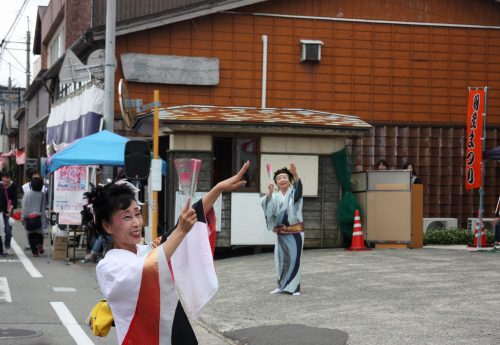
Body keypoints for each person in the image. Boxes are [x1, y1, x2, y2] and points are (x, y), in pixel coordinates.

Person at [83, 161, 249, 344]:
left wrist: (217, 189)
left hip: (175, 329)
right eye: (126, 217)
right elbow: (146, 268)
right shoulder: (108, 266)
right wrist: (180, 232)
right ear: (107, 226)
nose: (136, 222)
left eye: (137, 213)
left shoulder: (145, 251)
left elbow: (176, 230)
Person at [261, 163, 304, 296]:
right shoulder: (275, 196)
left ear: (289, 180)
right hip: (281, 234)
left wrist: (295, 174)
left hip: (294, 232)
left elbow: (298, 193)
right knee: (280, 260)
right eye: (279, 178)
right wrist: (269, 193)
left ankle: (294, 288)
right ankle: (282, 286)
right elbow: (268, 208)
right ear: (276, 182)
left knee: (294, 259)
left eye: (285, 177)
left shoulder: (294, 193)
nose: (282, 180)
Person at [21, 177, 47, 257]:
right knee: (39, 233)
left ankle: (34, 252)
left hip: (29, 218)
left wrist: (23, 216)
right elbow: (43, 207)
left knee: (31, 234)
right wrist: (44, 220)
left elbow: (24, 206)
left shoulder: (27, 194)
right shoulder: (42, 195)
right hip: (39, 218)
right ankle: (39, 244)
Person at [2, 172, 17, 253]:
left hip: (8, 211)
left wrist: (11, 208)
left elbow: (15, 199)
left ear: (10, 178)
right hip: (0, 211)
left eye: (7, 178)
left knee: (8, 230)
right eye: (4, 177)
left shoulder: (13, 185)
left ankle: (7, 246)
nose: (5, 179)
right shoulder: (0, 185)